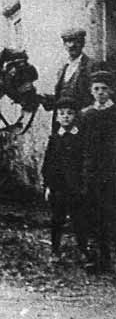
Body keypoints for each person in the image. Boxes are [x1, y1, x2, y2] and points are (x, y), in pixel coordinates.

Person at [41, 95, 88, 261]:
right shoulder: (55, 138)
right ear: (57, 117)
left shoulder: (81, 138)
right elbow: (48, 164)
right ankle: (55, 250)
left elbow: (85, 161)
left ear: (75, 116)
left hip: (76, 187)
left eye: (70, 113)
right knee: (57, 219)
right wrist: (47, 185)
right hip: (58, 187)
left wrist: (84, 184)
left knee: (79, 220)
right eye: (62, 113)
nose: (66, 116)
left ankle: (83, 250)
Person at [80, 70, 116, 274]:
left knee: (108, 213)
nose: (100, 93)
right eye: (96, 89)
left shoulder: (114, 113)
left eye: (104, 89)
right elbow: (80, 145)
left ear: (111, 90)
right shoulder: (86, 115)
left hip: (111, 171)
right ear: (91, 91)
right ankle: (94, 256)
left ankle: (107, 255)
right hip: (90, 172)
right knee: (91, 214)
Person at [44, 28, 97, 130]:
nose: (72, 45)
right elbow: (61, 98)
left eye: (76, 41)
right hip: (64, 124)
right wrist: (45, 98)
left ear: (82, 43)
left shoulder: (92, 65)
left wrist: (86, 112)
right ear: (64, 45)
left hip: (85, 123)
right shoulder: (63, 69)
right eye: (68, 41)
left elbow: (100, 96)